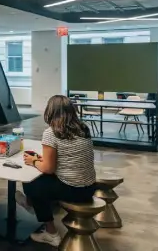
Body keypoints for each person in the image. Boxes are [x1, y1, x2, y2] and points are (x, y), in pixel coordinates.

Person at [16, 95, 96, 247]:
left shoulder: (51, 133)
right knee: (42, 180)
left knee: (31, 182)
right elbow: (67, 157)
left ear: (50, 111)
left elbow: (48, 168)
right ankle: (34, 205)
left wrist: (34, 161)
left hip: (73, 190)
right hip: (90, 187)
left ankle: (50, 232)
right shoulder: (83, 129)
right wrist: (43, 159)